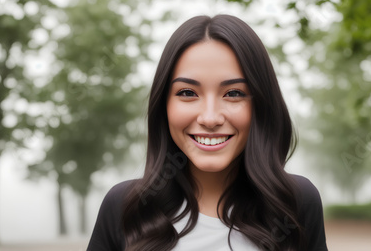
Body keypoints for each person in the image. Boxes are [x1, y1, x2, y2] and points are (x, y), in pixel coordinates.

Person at [87, 14, 328, 251]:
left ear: (261, 107)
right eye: (188, 93)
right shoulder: (125, 207)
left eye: (234, 93)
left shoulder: (294, 203)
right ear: (164, 106)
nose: (210, 118)